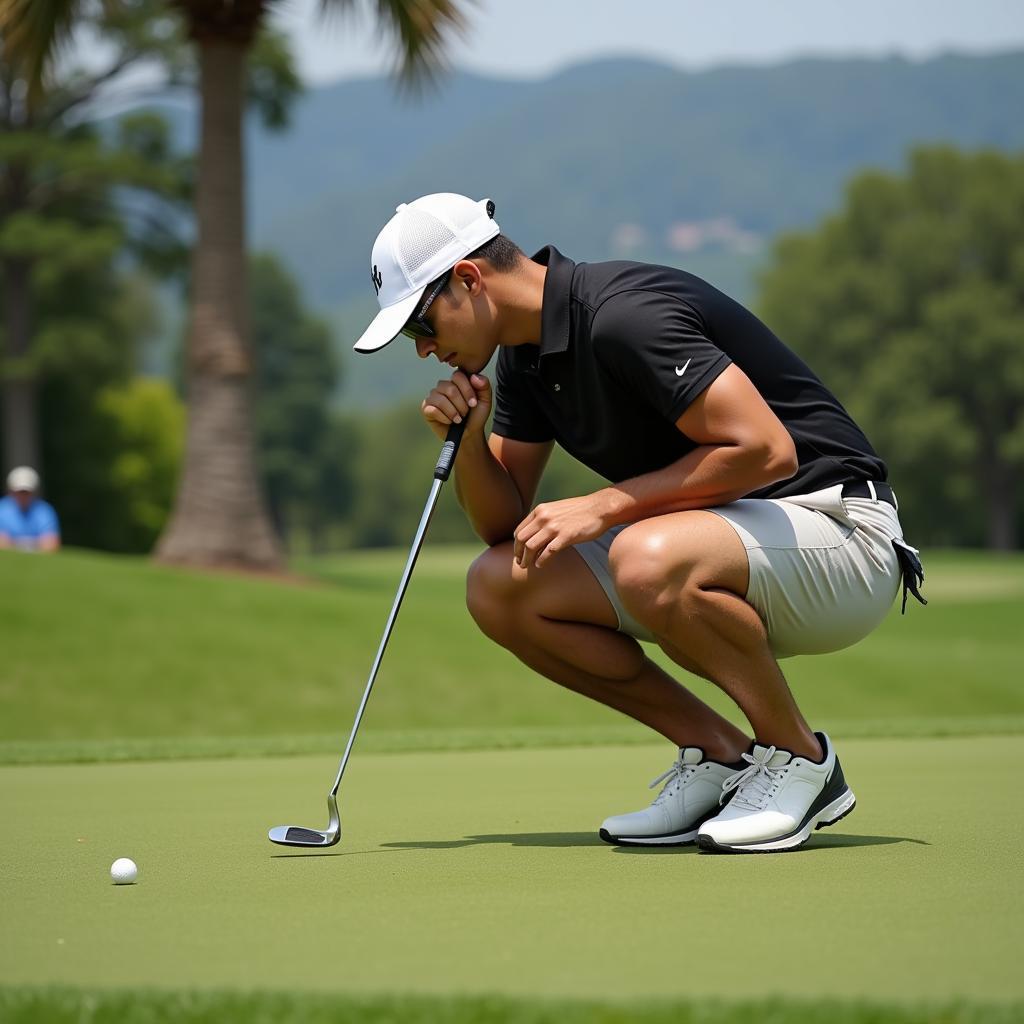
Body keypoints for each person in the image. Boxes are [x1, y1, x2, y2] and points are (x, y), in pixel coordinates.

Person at [353, 193, 926, 854]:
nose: (423, 350)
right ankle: (720, 757)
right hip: (729, 543)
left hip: (843, 532)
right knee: (498, 584)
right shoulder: (525, 357)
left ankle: (802, 760)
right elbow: (502, 528)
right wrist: (470, 440)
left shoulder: (621, 316)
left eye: (418, 326)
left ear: (469, 279)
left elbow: (767, 449)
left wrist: (608, 504)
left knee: (645, 555)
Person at [0, 466, 61, 553]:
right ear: (11, 491)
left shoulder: (45, 511)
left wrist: (14, 543)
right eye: (20, 492)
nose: (23, 495)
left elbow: (52, 545)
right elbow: (2, 544)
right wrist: (36, 544)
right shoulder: (2, 509)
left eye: (26, 492)